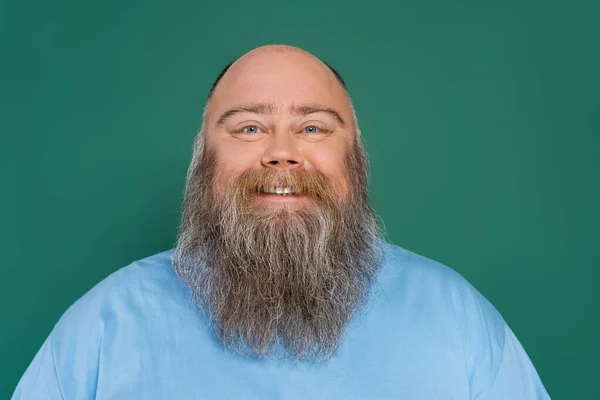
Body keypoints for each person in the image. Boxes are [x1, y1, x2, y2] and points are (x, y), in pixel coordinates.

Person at [12, 44, 551, 399]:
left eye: (313, 128)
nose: (281, 154)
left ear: (355, 160)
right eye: (248, 129)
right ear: (204, 161)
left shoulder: (457, 319)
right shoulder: (105, 326)